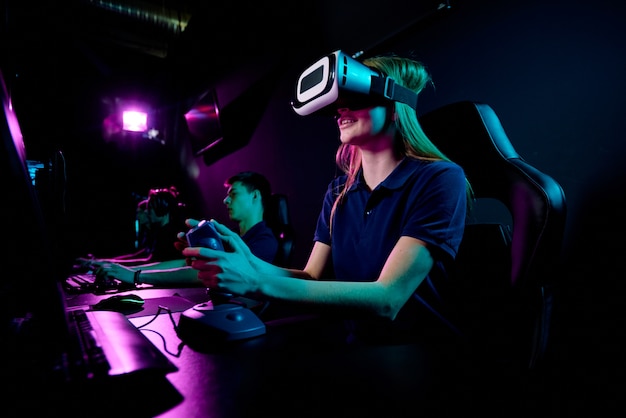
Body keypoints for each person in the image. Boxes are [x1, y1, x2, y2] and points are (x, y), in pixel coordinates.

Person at [182, 53, 473, 343]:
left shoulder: (440, 178)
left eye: (355, 99)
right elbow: (312, 279)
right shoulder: (339, 192)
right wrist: (246, 260)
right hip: (355, 347)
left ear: (396, 106)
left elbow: (389, 298)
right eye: (339, 103)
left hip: (419, 351)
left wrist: (255, 282)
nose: (341, 109)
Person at [95, 171, 279, 287]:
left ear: (255, 196)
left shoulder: (265, 241)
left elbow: (212, 273)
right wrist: (130, 272)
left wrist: (136, 275)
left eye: (234, 194)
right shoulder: (233, 240)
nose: (226, 200)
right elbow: (186, 264)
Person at [77, 186, 186, 267]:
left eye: (150, 208)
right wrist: (107, 262)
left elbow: (150, 262)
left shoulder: (170, 233)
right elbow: (143, 256)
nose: (147, 212)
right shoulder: (162, 231)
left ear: (163, 207)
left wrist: (109, 265)